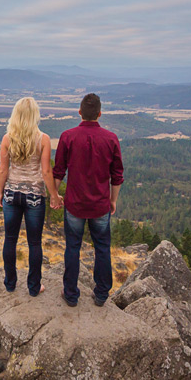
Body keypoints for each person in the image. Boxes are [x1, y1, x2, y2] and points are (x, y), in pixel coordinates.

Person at [53, 92, 123, 306]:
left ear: (80, 112)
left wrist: (55, 196)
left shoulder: (68, 136)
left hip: (74, 204)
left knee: (72, 247)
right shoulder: (111, 139)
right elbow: (117, 175)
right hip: (100, 205)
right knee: (102, 247)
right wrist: (113, 201)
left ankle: (71, 295)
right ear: (100, 114)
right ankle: (101, 294)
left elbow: (58, 171)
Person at [0, 96, 62, 296]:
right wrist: (54, 196)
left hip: (12, 193)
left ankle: (10, 283)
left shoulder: (8, 138)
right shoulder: (43, 139)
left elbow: (3, 170)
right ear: (35, 115)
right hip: (34, 195)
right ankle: (34, 287)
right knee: (34, 243)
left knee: (10, 239)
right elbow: (46, 172)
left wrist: (1, 192)